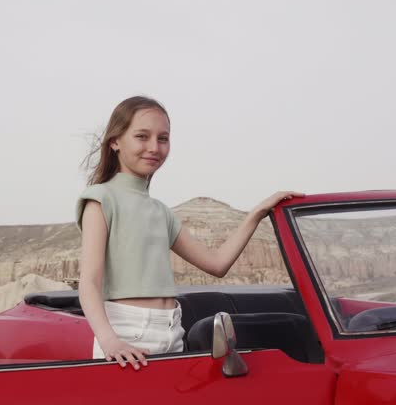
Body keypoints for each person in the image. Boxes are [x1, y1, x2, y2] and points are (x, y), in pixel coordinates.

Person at [76, 96, 303, 370]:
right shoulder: (100, 199)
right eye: (141, 136)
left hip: (172, 331)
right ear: (115, 141)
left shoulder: (162, 212)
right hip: (123, 334)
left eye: (163, 138)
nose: (154, 147)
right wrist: (109, 340)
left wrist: (255, 214)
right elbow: (89, 282)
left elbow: (217, 264)